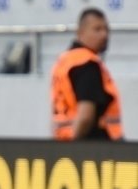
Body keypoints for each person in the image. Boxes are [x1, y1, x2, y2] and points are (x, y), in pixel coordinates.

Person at [50, 7, 124, 141]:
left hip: (62, 141)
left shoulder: (65, 60)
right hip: (93, 147)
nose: (104, 35)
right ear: (80, 32)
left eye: (106, 29)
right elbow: (85, 116)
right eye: (97, 29)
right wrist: (75, 150)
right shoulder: (86, 64)